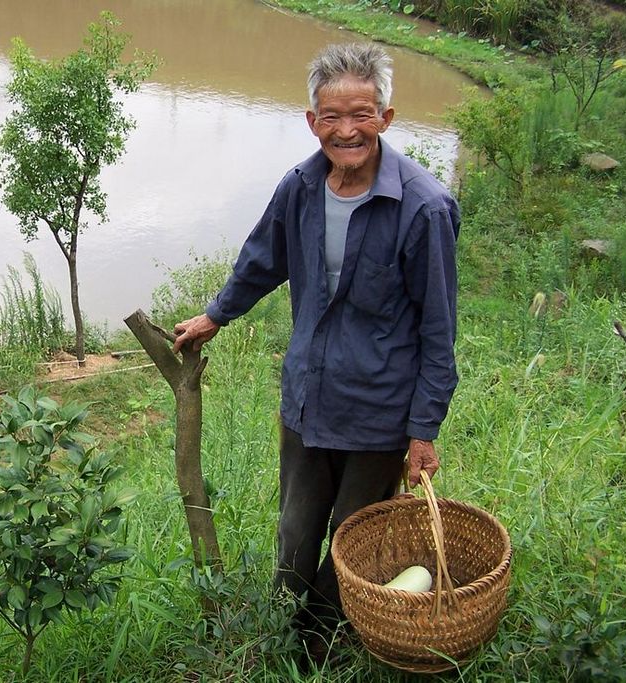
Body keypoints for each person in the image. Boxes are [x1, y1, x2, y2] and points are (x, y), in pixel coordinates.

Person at [172, 42, 459, 661]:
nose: (347, 131)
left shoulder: (424, 207)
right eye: (332, 116)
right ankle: (290, 636)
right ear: (312, 121)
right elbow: (262, 258)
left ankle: (329, 647)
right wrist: (216, 314)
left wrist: (423, 430)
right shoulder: (301, 186)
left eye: (362, 114)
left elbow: (439, 333)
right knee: (296, 532)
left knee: (353, 541)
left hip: (378, 413)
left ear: (385, 116)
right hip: (307, 399)